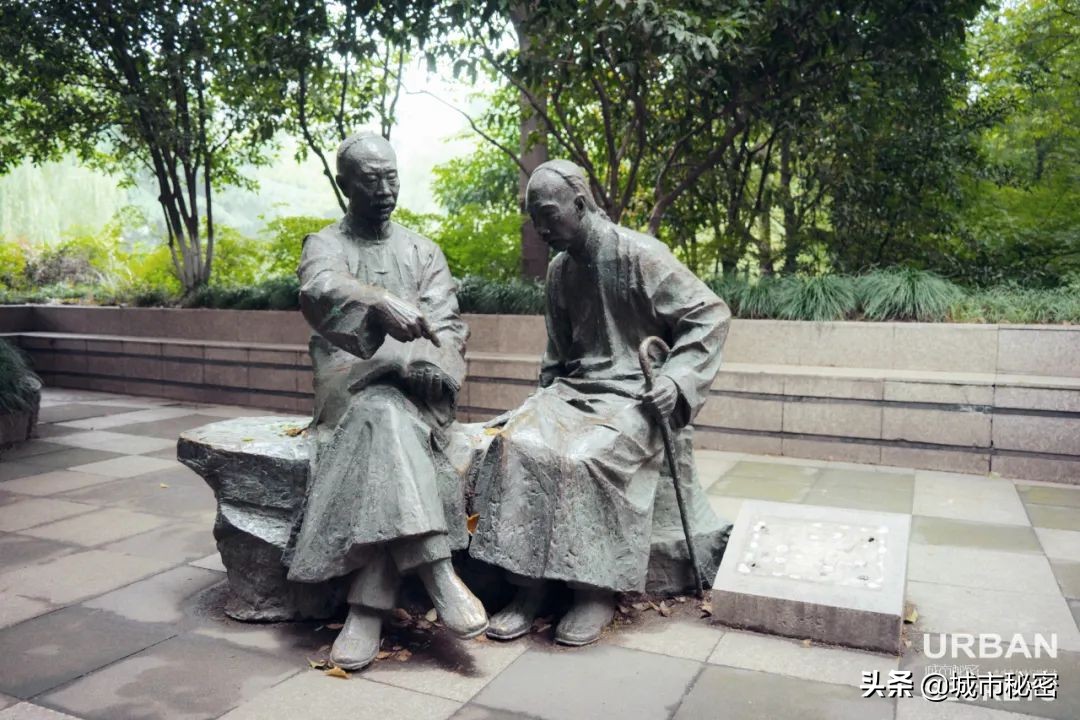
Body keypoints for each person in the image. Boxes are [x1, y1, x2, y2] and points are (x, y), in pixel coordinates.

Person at [469, 159, 730, 646]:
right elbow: (556, 355)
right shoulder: (558, 271)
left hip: (635, 396)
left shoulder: (640, 255)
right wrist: (536, 406)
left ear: (581, 204)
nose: (542, 228)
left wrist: (676, 380)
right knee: (516, 444)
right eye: (535, 219)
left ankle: (594, 589)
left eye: (548, 214)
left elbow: (709, 314)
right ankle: (529, 589)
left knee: (586, 458)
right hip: (574, 391)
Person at [284, 132, 487, 670]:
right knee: (379, 415)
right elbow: (319, 289)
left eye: (391, 176)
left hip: (415, 387)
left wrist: (429, 362)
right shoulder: (324, 243)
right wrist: (377, 302)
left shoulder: (423, 250)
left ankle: (365, 612)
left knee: (390, 422)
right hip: (351, 384)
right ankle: (438, 572)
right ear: (345, 184)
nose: (384, 188)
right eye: (370, 179)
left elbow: (447, 325)